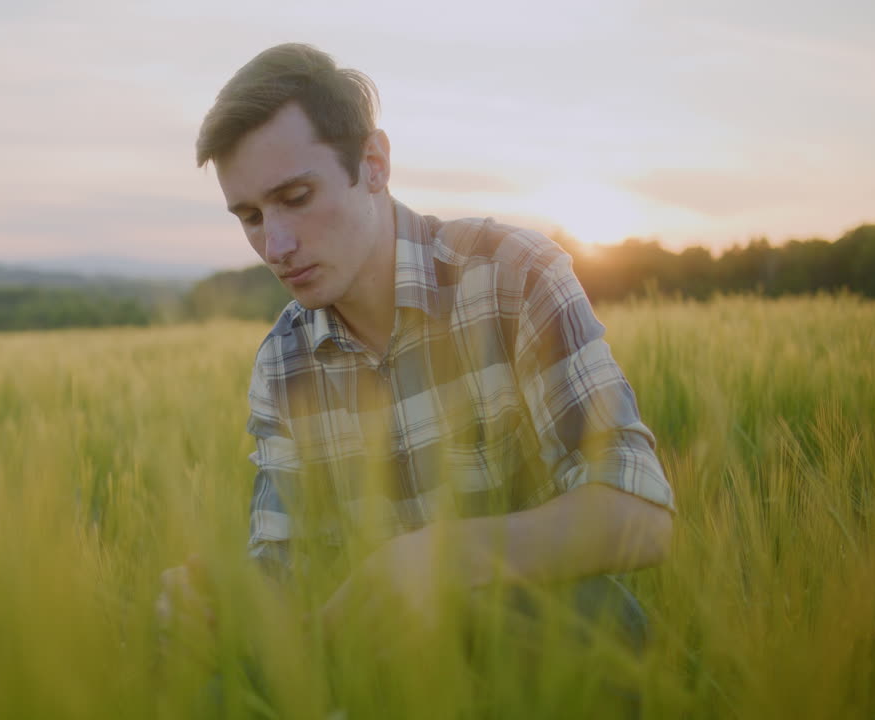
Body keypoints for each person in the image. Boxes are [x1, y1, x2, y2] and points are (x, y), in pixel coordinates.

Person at [158, 42, 675, 706]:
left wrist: (445, 558)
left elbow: (640, 514)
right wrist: (221, 600)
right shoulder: (283, 362)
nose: (275, 246)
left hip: (538, 657)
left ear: (373, 164)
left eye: (296, 197)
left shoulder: (513, 277)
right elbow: (284, 566)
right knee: (216, 694)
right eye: (252, 217)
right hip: (381, 662)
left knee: (587, 619)